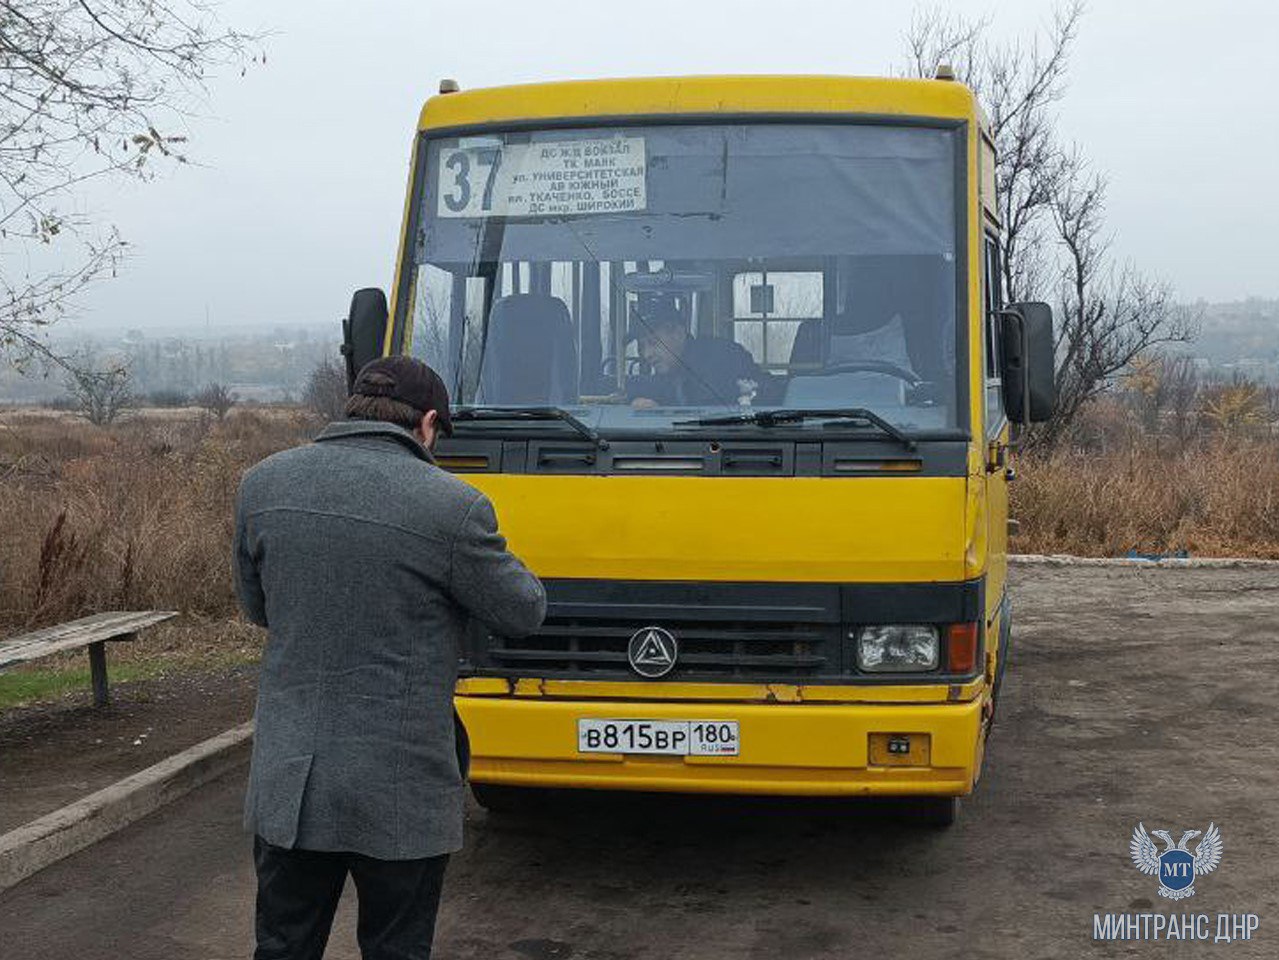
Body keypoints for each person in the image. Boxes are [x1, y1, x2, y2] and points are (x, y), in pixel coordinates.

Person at [233, 356, 546, 960]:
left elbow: (260, 608)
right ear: (427, 424)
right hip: (400, 788)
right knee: (396, 949)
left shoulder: (262, 485)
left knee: (282, 946)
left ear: (353, 407)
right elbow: (522, 610)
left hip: (290, 782)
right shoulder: (453, 506)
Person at [626, 301, 766, 408]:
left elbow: (706, 415)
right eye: (642, 346)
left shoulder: (723, 359)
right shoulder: (670, 371)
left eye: (653, 342)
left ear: (678, 333)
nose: (646, 354)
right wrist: (635, 399)